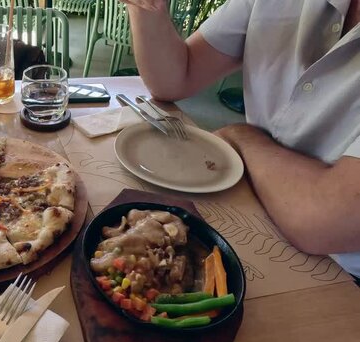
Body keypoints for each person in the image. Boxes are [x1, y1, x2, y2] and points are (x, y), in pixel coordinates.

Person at [122, 0, 360, 278]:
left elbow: (326, 222)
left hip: (341, 274)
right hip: (250, 204)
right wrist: (146, 8)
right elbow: (175, 78)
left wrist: (242, 137)